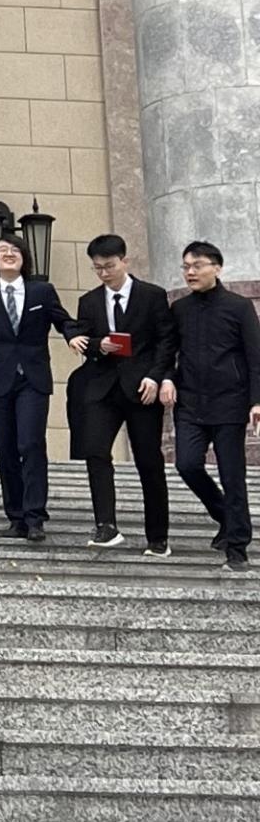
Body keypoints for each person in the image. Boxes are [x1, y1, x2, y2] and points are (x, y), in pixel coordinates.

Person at [0, 230, 79, 540]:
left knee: (30, 443)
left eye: (14, 250)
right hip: (0, 380)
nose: (8, 254)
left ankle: (35, 517)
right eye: (2, 251)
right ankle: (16, 517)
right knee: (6, 448)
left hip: (33, 379)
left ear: (24, 258)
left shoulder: (42, 291)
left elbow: (62, 319)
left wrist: (71, 335)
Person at [67, 233, 176, 555]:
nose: (104, 273)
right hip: (102, 387)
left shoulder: (152, 296)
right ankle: (106, 525)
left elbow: (166, 342)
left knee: (148, 460)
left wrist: (157, 377)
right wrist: (97, 346)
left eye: (109, 266)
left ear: (124, 261)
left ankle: (158, 536)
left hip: (142, 388)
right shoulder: (88, 301)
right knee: (96, 451)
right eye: (97, 268)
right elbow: (86, 340)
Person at [162, 239, 260, 572]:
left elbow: (254, 357)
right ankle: (225, 516)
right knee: (187, 464)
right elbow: (169, 352)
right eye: (186, 266)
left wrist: (256, 400)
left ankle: (237, 548)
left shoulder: (239, 307)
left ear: (216, 268)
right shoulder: (180, 309)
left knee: (233, 475)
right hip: (190, 403)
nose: (190, 271)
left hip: (229, 403)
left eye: (197, 265)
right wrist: (167, 378)